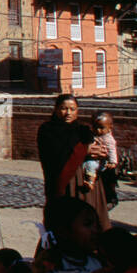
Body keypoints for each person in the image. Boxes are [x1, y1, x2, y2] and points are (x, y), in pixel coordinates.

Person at [36, 93, 111, 230]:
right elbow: (53, 156)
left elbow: (98, 146)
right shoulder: (47, 130)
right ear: (56, 109)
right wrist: (85, 150)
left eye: (73, 109)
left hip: (87, 183)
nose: (68, 113)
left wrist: (102, 152)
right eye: (64, 108)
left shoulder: (83, 130)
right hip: (67, 183)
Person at [81, 112, 119, 208]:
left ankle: (90, 182)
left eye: (101, 128)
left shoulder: (108, 139)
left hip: (101, 162)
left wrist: (113, 161)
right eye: (95, 127)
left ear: (109, 128)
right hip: (93, 158)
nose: (98, 130)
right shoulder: (92, 135)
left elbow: (112, 150)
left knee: (91, 165)